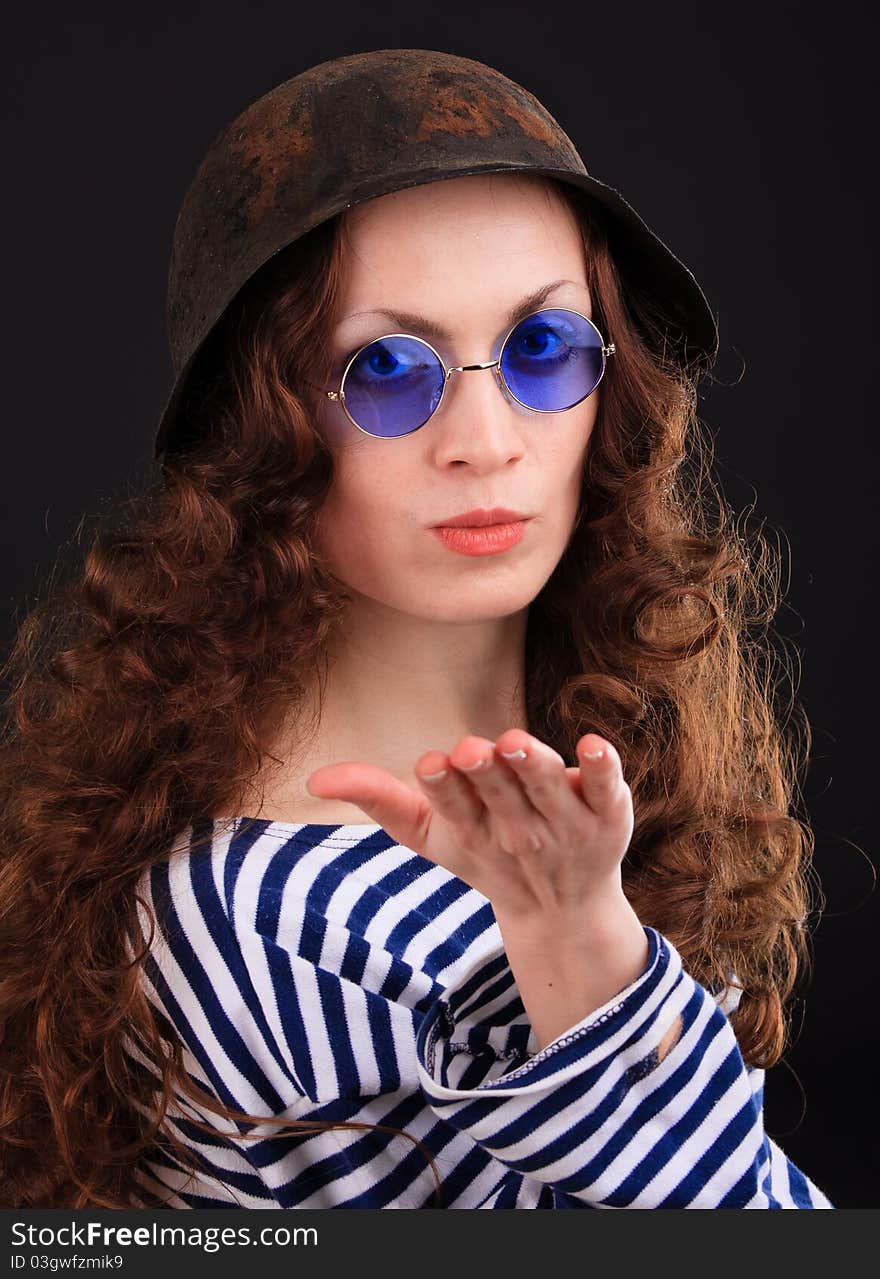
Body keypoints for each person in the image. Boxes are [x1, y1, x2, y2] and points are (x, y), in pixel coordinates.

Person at [0, 49, 833, 1209]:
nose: (485, 438)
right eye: (388, 370)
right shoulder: (270, 926)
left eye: (543, 349)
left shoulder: (611, 728)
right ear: (261, 427)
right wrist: (583, 964)